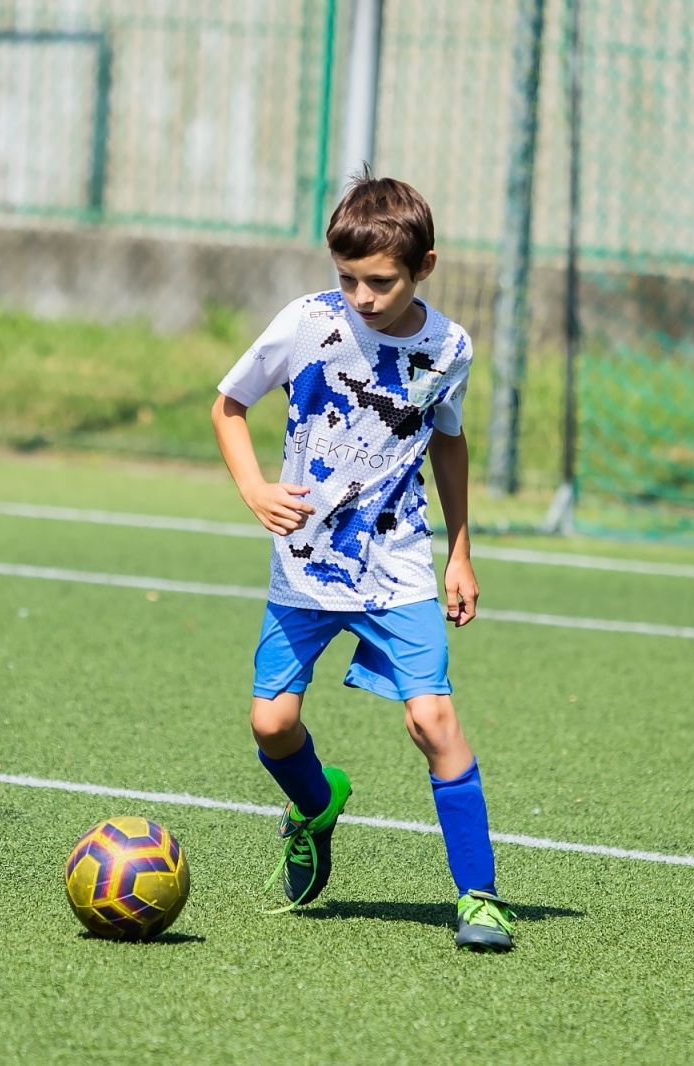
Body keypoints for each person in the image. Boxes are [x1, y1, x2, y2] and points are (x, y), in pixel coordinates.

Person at [210, 173, 513, 951]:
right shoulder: (307, 323)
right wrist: (255, 490)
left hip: (400, 564)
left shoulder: (448, 348)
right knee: (271, 724)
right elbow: (229, 405)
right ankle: (315, 804)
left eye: (379, 281)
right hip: (306, 564)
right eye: (347, 278)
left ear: (426, 266)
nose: (362, 296)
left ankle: (478, 898)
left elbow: (447, 439)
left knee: (432, 719)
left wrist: (461, 553)